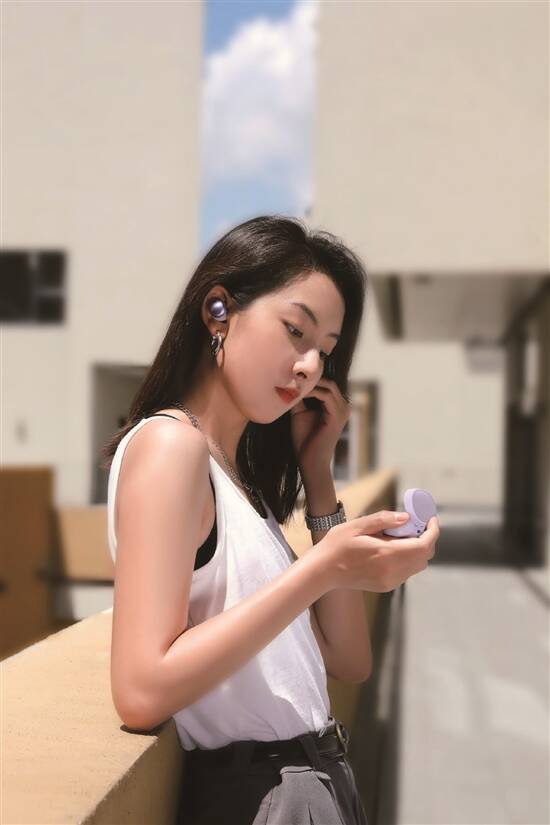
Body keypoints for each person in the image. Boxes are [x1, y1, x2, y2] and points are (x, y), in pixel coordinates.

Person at [102, 214, 439, 825]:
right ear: (218, 311)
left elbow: (350, 660)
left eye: (325, 352)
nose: (310, 366)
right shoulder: (171, 446)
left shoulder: (237, 482)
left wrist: (318, 475)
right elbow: (141, 689)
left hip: (315, 780)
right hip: (262, 791)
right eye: (295, 331)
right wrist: (321, 570)